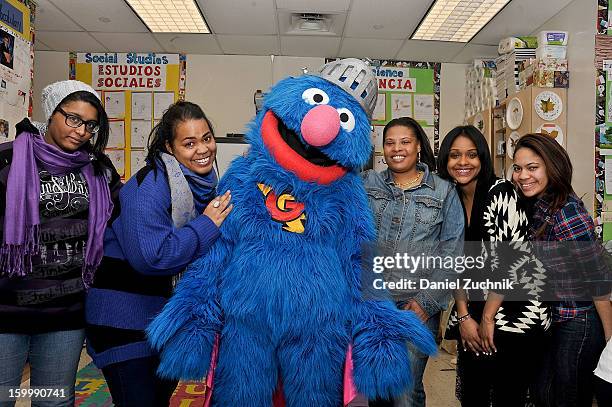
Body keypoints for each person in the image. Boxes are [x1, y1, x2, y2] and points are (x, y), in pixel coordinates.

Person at [85, 101, 232, 407]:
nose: (202, 149)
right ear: (170, 146)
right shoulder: (151, 184)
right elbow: (152, 256)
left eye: (206, 138)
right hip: (124, 322)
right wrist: (208, 224)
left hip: (160, 321)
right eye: (189, 143)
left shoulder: (203, 187)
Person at [0, 80, 121, 406]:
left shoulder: (98, 170)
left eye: (90, 124)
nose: (82, 131)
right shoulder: (8, 160)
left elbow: (119, 223)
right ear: (51, 113)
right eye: (73, 119)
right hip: (6, 310)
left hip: (65, 313)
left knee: (52, 400)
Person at [437, 125, 550, 406]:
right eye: (455, 155)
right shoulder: (448, 198)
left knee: (507, 397)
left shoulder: (501, 192)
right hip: (474, 311)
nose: (463, 162)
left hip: (515, 313)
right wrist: (464, 317)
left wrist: (487, 317)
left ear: (483, 158)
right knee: (474, 395)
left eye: (471, 154)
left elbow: (509, 260)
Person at [362, 117, 464, 407]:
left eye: (405, 141)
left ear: (418, 145)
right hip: (374, 305)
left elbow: (453, 255)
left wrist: (426, 302)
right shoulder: (367, 183)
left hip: (416, 306)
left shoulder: (443, 191)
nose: (397, 148)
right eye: (390, 142)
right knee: (376, 390)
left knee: (405, 392)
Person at [512, 134, 612, 407]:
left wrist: (609, 338)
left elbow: (598, 279)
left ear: (552, 166)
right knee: (544, 394)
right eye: (518, 168)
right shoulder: (537, 205)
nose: (523, 176)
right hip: (554, 318)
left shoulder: (567, 212)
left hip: (577, 321)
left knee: (565, 398)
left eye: (533, 168)